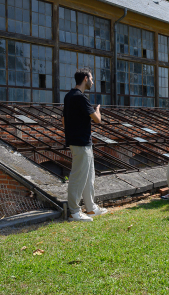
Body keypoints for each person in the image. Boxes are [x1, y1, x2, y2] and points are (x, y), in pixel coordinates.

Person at [62, 67, 107, 222]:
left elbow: (64, 120)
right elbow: (97, 120)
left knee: (88, 176)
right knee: (78, 176)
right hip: (81, 142)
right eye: (92, 78)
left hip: (79, 141)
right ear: (85, 79)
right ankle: (74, 212)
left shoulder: (68, 96)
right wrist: (98, 110)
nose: (93, 82)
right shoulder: (80, 97)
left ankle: (91, 208)